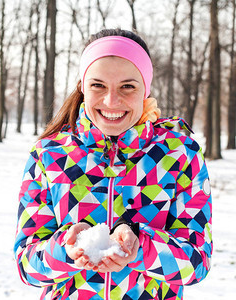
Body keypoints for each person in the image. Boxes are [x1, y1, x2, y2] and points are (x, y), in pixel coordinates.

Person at [14, 28, 212, 300]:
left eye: (127, 86)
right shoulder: (49, 154)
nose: (111, 101)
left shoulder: (179, 154)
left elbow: (197, 262)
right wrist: (65, 250)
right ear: (83, 86)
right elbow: (27, 265)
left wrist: (140, 248)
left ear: (146, 89)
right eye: (98, 85)